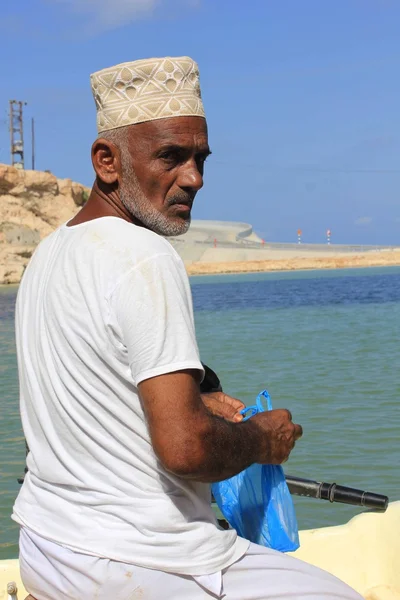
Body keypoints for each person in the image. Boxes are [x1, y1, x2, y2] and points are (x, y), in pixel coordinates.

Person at [13, 56, 362, 600]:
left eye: (200, 159)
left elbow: (103, 373)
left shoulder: (52, 251)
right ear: (107, 161)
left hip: (49, 547)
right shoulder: (146, 256)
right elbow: (186, 450)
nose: (194, 179)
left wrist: (202, 393)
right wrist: (260, 440)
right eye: (171, 157)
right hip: (144, 560)